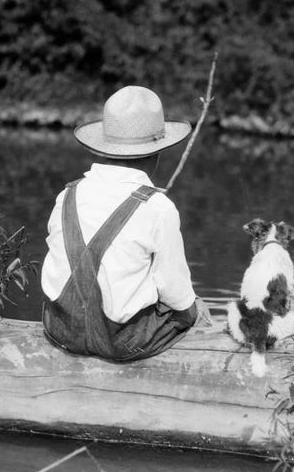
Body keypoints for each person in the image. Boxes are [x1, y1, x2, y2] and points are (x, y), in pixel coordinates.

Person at [41, 85, 208, 361]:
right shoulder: (158, 207)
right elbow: (176, 293)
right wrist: (195, 310)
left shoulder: (67, 194)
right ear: (156, 153)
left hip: (59, 329)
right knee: (190, 308)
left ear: (104, 148)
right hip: (122, 342)